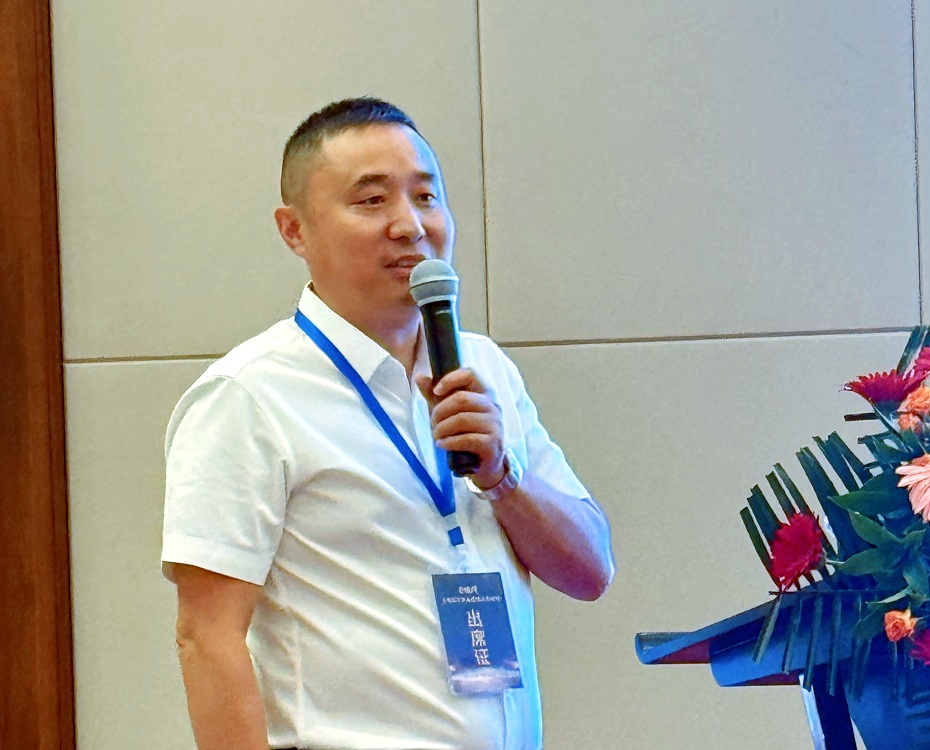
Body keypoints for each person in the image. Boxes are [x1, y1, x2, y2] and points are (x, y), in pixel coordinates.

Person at [161, 97, 615, 750]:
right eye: (372, 201)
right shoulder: (248, 395)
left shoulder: (483, 368)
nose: (410, 225)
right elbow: (206, 636)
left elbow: (591, 570)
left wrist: (502, 476)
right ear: (294, 230)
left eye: (426, 197)